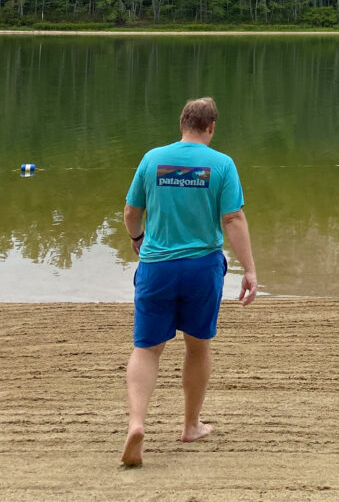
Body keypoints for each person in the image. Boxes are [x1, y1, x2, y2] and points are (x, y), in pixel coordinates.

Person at [120, 96, 258, 467]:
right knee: (198, 347)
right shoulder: (222, 164)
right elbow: (233, 220)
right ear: (211, 127)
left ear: (181, 124)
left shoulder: (152, 159)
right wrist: (249, 269)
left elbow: (132, 212)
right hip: (201, 267)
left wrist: (137, 238)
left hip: (157, 267)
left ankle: (136, 424)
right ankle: (190, 425)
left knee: (147, 348)